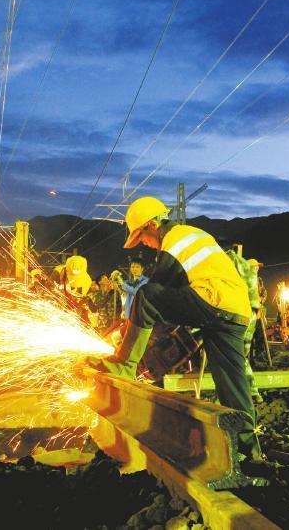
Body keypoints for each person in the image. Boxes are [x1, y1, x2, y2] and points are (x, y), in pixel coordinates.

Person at [84, 197, 261, 462]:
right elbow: (174, 298)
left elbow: (156, 291)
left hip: (211, 301)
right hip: (236, 312)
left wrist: (127, 333)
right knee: (233, 383)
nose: (143, 244)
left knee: (146, 295)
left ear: (152, 225)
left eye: (141, 237)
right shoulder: (195, 236)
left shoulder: (175, 239)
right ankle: (250, 451)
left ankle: (124, 364)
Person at [225, 249, 262, 403]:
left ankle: (247, 392)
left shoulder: (234, 263)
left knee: (238, 353)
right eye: (256, 266)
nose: (257, 268)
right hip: (250, 312)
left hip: (243, 312)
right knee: (242, 353)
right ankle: (252, 391)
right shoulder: (250, 274)